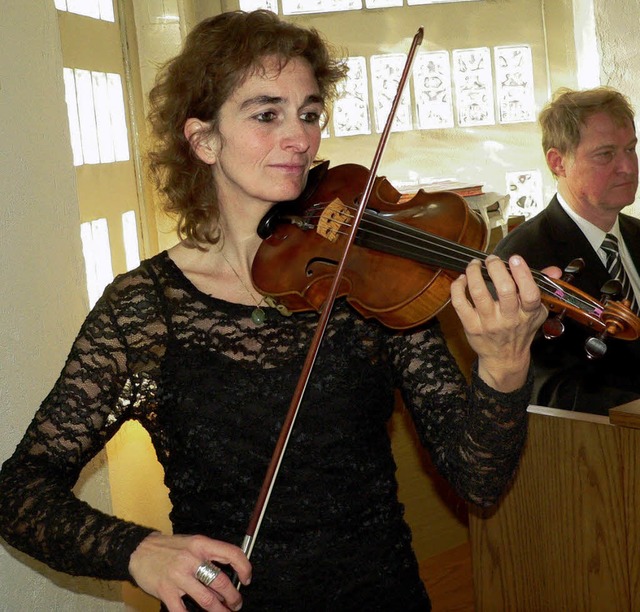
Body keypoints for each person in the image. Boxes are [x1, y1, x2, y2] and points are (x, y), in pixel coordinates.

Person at [0, 10, 550, 612]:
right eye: (268, 114)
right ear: (204, 139)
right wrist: (140, 550)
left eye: (309, 114)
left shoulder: (370, 282)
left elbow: (479, 479)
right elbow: (21, 489)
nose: (301, 137)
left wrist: (503, 364)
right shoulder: (146, 307)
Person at [494, 86, 640, 414]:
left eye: (630, 149)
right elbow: (544, 385)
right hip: (603, 449)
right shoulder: (521, 258)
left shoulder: (637, 234)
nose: (628, 168)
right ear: (558, 162)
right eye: (606, 154)